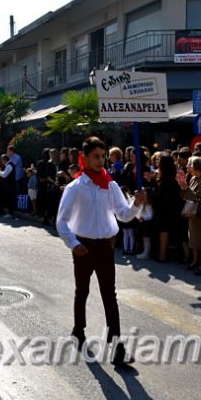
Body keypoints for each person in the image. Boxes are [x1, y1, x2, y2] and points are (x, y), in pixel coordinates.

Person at [56, 137, 146, 366]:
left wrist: (136, 204)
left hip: (106, 246)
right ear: (84, 158)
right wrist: (74, 244)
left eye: (102, 156)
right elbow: (62, 221)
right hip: (83, 247)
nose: (100, 160)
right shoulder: (75, 188)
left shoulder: (111, 185)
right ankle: (79, 329)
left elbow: (124, 215)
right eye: (95, 156)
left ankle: (116, 345)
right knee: (82, 291)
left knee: (110, 295)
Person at [0, 154, 17, 219]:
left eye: (2, 160)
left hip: (10, 185)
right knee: (10, 199)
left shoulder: (9, 166)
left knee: (10, 199)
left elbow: (4, 175)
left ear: (4, 160)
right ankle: (10, 213)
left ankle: (10, 213)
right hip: (10, 185)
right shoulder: (9, 165)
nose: (1, 161)